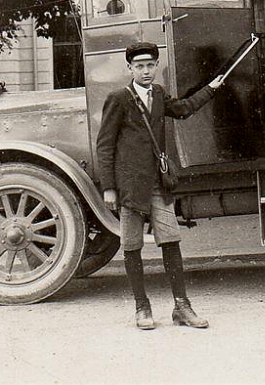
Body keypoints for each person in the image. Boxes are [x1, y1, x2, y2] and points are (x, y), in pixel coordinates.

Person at [96, 41, 224, 330]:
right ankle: (142, 308)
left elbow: (182, 109)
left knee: (171, 242)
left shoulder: (158, 93)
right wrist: (109, 188)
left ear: (156, 66)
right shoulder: (119, 98)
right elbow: (105, 146)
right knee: (132, 246)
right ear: (129, 68)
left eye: (150, 65)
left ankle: (182, 307)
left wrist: (211, 88)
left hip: (157, 185)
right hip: (129, 189)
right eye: (139, 66)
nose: (145, 71)